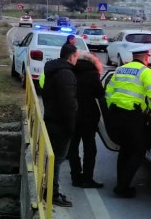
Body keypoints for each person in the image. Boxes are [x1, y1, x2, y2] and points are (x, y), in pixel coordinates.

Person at [105, 48, 151, 198]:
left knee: (125, 150)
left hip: (116, 114)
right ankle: (123, 187)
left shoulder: (120, 69)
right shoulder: (146, 72)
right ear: (145, 58)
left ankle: (120, 183)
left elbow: (109, 91)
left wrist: (112, 106)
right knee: (137, 150)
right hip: (133, 116)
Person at [39, 42, 79, 207]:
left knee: (52, 158)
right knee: (57, 159)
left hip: (50, 117)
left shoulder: (52, 70)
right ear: (71, 57)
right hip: (61, 124)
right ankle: (52, 193)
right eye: (76, 56)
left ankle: (49, 189)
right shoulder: (66, 74)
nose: (77, 59)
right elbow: (68, 104)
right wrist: (72, 127)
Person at [68, 52, 105, 188]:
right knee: (90, 148)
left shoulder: (70, 72)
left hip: (73, 114)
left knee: (73, 147)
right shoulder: (92, 73)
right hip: (89, 116)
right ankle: (87, 178)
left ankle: (75, 177)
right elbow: (100, 94)